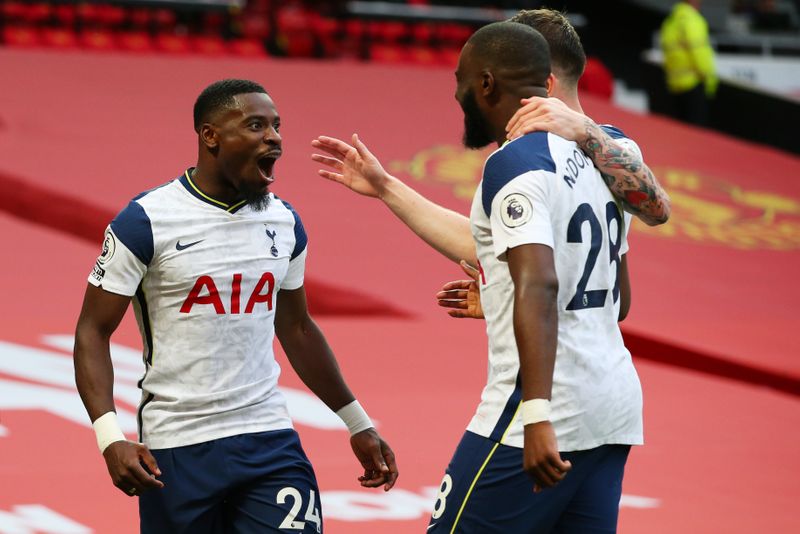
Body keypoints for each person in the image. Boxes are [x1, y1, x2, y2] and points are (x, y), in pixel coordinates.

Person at [313, 21, 643, 532]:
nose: (455, 91)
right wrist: (387, 188)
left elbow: (540, 282)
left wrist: (536, 412)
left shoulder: (516, 163)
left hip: (539, 414)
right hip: (613, 409)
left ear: (488, 83)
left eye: (460, 78)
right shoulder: (612, 153)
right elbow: (609, 297)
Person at [73, 79, 398, 533]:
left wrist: (358, 423)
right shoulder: (146, 220)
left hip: (269, 438)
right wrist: (110, 439)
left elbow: (298, 329)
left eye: (277, 126)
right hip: (178, 446)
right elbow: (92, 331)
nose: (275, 137)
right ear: (211, 136)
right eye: (256, 125)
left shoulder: (284, 222)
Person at [660, 0, 718, 126]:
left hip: (674, 86)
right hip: (694, 85)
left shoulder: (670, 22)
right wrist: (710, 81)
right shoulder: (692, 20)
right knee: (697, 136)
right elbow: (700, 55)